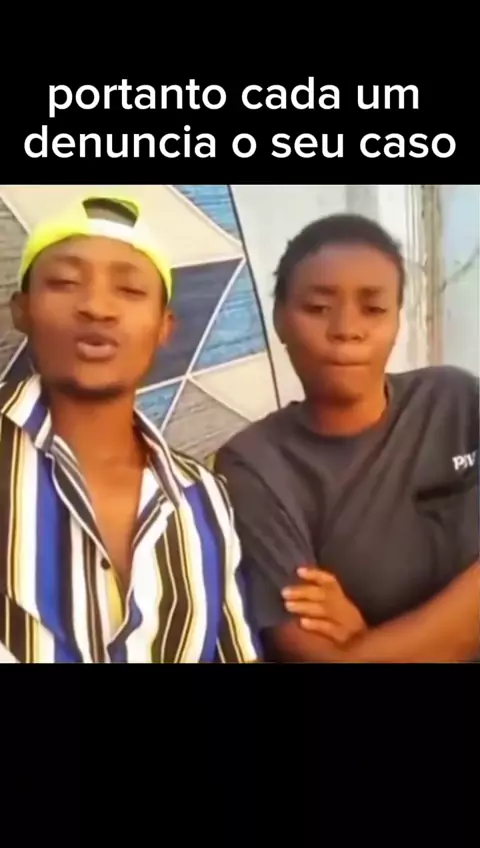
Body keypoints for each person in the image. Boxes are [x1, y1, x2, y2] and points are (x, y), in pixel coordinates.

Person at [0, 194, 260, 663]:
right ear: (22, 310)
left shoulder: (203, 497)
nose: (97, 307)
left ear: (164, 327)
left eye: (130, 290)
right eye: (65, 282)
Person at [215, 213, 479, 663]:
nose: (346, 330)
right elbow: (315, 656)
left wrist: (366, 640)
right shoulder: (254, 466)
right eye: (318, 308)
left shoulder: (455, 400)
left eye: (373, 309)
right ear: (280, 320)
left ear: (397, 321)